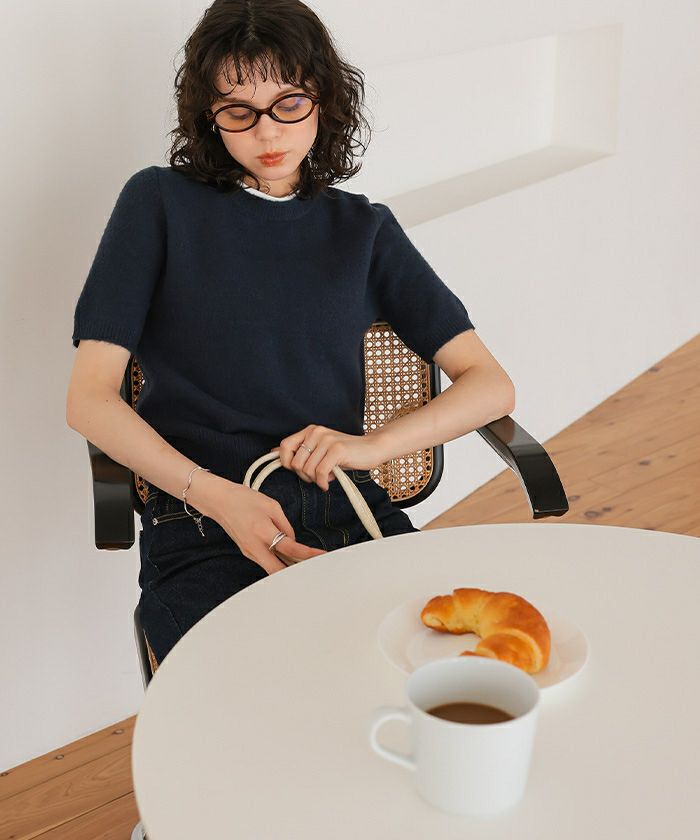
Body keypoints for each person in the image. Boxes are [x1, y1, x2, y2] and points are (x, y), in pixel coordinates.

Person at [66, 0, 515, 668]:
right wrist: (218, 498)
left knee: (438, 682)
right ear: (209, 115)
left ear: (324, 99)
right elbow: (89, 399)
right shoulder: (158, 203)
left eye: (289, 103)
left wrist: (372, 446)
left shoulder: (363, 229)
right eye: (238, 111)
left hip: (347, 510)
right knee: (251, 699)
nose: (266, 132)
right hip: (202, 522)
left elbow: (490, 385)